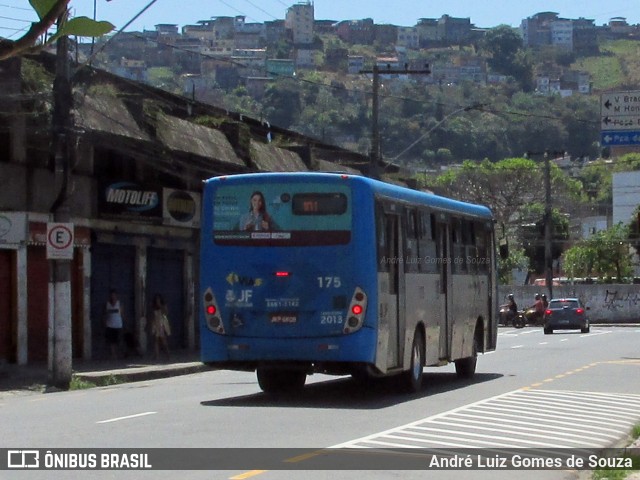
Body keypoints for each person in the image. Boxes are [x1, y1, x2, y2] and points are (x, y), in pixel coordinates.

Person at [104, 289, 124, 360]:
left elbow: (122, 314)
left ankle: (119, 354)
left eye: (114, 295)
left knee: (118, 340)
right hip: (110, 325)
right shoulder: (108, 304)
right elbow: (106, 314)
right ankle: (113, 354)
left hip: (118, 324)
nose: (113, 297)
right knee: (111, 341)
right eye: (112, 295)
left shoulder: (119, 303)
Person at [151, 294, 171, 360]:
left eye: (158, 299)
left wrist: (161, 306)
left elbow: (166, 313)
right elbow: (153, 316)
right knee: (156, 340)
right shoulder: (154, 307)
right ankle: (156, 355)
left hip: (162, 324)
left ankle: (168, 354)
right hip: (156, 324)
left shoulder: (163, 306)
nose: (157, 301)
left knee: (163, 340)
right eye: (156, 299)